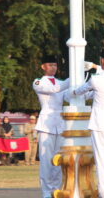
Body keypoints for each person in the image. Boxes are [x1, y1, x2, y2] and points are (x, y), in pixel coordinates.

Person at [74, 48, 104, 198]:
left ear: (102, 60)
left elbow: (80, 90)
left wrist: (74, 91)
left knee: (101, 159)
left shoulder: (96, 79)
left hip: (99, 121)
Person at [32, 55, 69, 198]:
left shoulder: (61, 82)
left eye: (55, 65)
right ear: (43, 66)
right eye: (50, 65)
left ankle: (56, 189)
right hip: (46, 125)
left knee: (59, 159)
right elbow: (54, 89)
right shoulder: (38, 82)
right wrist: (73, 78)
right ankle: (46, 192)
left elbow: (69, 95)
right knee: (46, 160)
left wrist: (86, 84)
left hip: (60, 124)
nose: (53, 68)